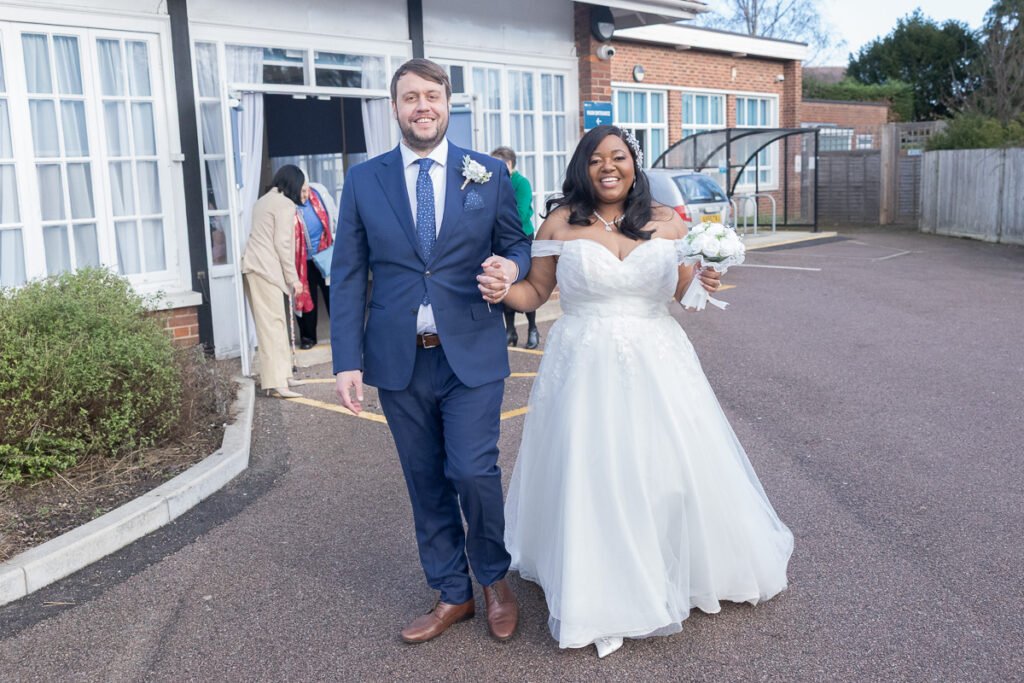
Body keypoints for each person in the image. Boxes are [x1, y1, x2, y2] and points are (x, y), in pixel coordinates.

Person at [478, 125, 793, 658]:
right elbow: (536, 291)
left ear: (633, 164)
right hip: (582, 364)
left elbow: (684, 292)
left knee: (664, 469)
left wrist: (703, 281)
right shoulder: (559, 222)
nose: (608, 167)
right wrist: (504, 290)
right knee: (593, 470)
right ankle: (600, 582)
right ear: (583, 167)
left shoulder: (667, 222)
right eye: (597, 159)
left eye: (618, 157)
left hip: (657, 360)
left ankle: (671, 567)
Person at [331, 59, 532, 644]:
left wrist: (510, 266)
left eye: (432, 96)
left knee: (472, 470)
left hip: (469, 348)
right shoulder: (365, 180)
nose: (422, 106)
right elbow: (348, 273)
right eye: (409, 97)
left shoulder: (487, 174)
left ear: (448, 103)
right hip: (398, 357)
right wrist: (346, 360)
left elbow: (515, 240)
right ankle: (452, 592)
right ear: (394, 107)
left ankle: (494, 580)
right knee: (424, 478)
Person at [240, 164, 306, 399]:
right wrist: (294, 279)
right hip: (264, 269)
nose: (303, 192)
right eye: (302, 186)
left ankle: (283, 376)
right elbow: (283, 245)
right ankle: (277, 382)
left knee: (274, 324)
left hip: (257, 267)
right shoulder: (285, 205)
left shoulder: (265, 199)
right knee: (272, 326)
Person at [489, 147, 539, 349]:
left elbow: (520, 213)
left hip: (522, 237)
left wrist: (496, 220)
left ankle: (533, 328)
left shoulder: (521, 183)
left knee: (525, 282)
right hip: (500, 239)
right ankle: (510, 330)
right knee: (504, 282)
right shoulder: (492, 181)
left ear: (508, 164)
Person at [294, 173, 337, 349]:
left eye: (305, 189)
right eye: (300, 192)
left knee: (334, 295)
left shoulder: (319, 191)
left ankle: (341, 335)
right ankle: (308, 338)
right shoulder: (288, 203)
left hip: (325, 254)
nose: (304, 194)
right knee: (306, 296)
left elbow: (334, 215)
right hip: (303, 260)